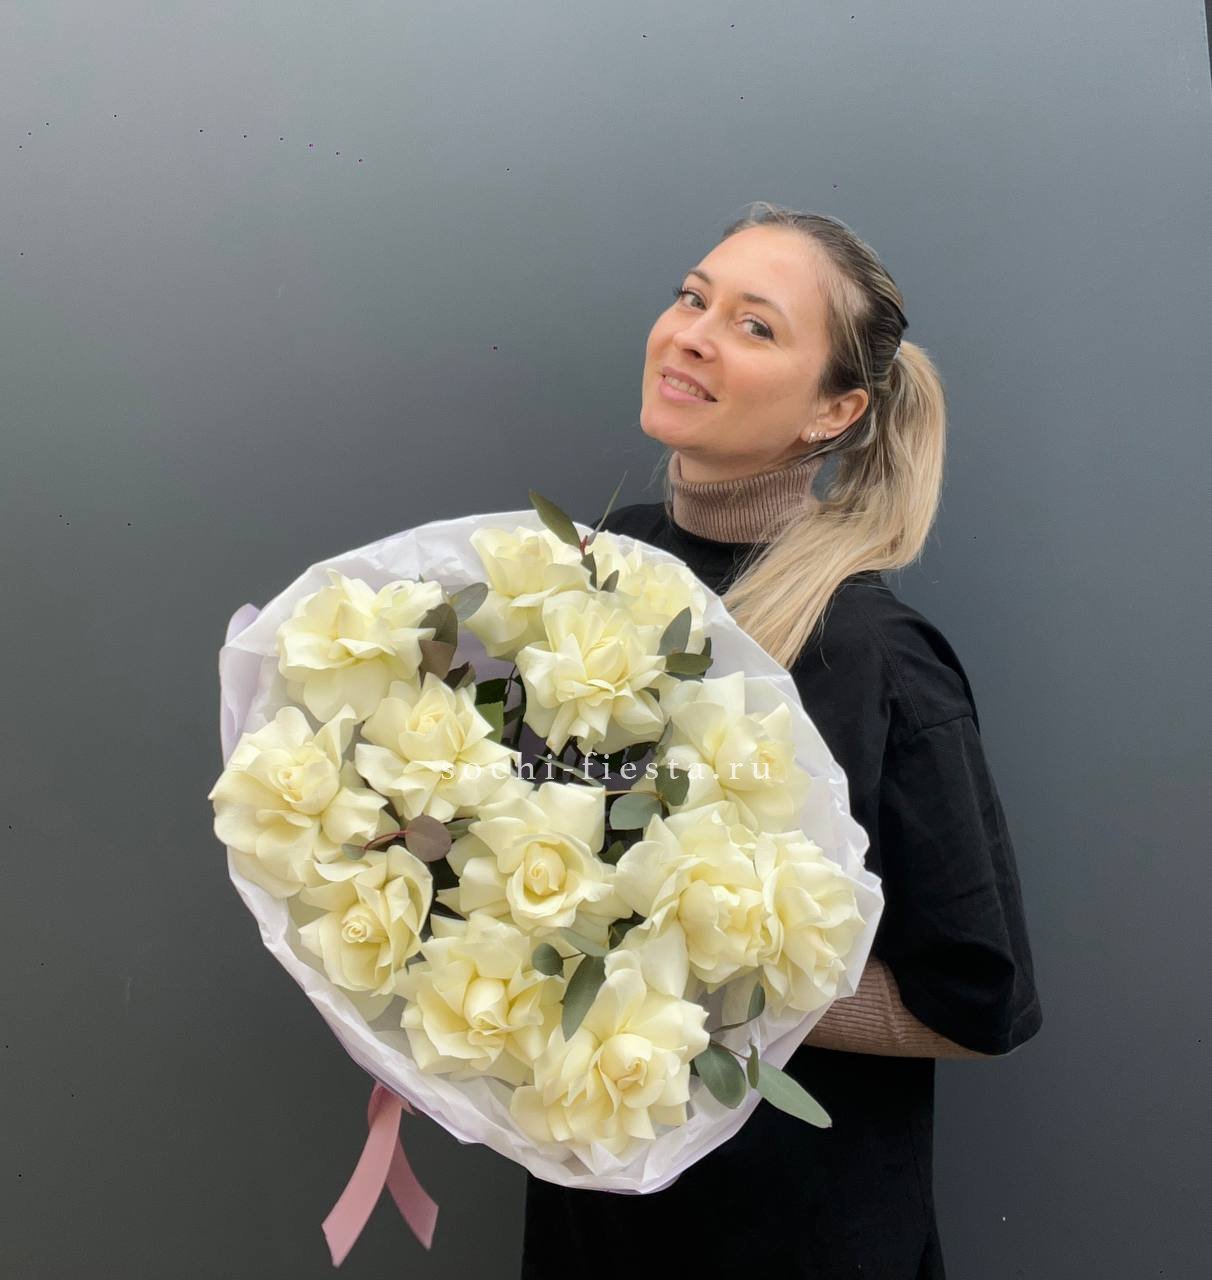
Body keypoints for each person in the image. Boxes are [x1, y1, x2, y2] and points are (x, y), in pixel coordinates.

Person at [519, 204, 1043, 1279]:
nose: (693, 335)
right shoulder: (596, 572)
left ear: (834, 410)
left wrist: (686, 980)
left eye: (755, 326)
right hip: (593, 1220)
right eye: (692, 297)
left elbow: (976, 1006)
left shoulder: (874, 657)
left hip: (794, 1240)